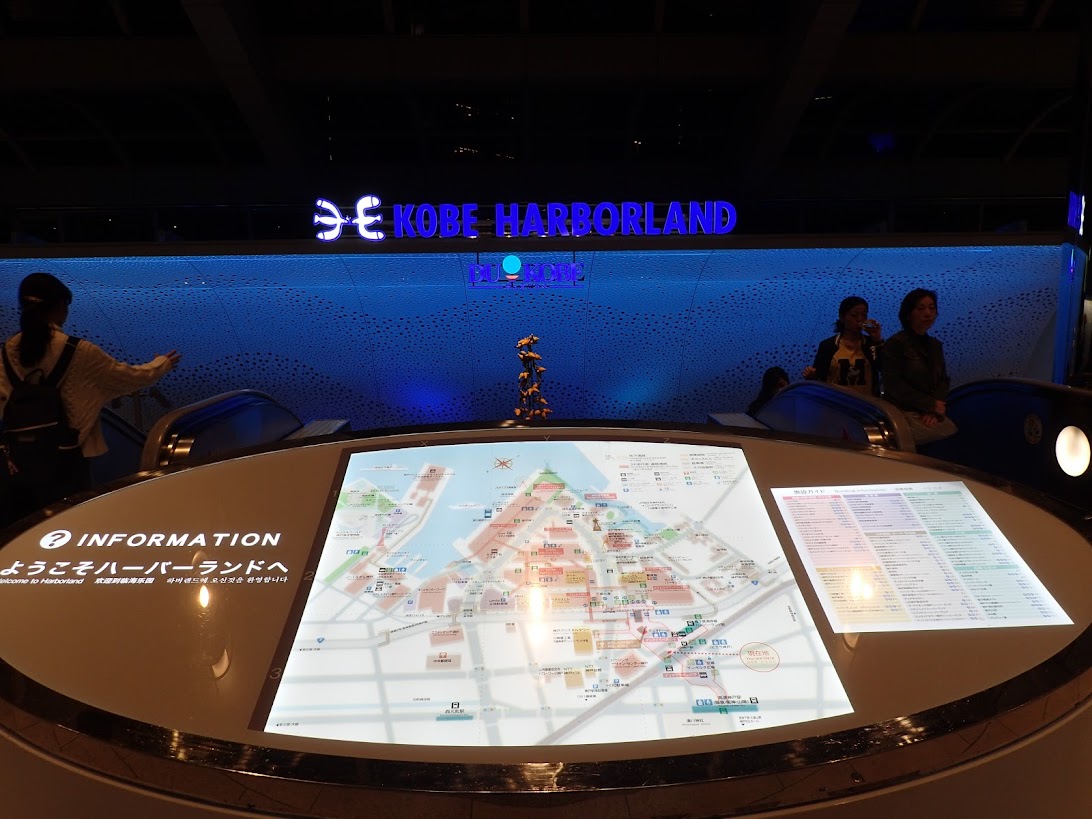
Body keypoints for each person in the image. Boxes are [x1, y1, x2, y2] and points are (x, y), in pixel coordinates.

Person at [0, 272, 181, 522]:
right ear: (60, 306)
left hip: (17, 462)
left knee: (24, 528)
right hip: (67, 462)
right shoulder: (78, 350)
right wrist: (161, 364)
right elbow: (127, 377)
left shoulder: (7, 352)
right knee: (70, 522)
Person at [882, 288, 956, 447]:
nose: (928, 313)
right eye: (921, 308)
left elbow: (943, 378)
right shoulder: (895, 344)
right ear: (908, 314)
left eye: (932, 308)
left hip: (928, 411)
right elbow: (893, 384)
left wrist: (936, 407)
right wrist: (930, 404)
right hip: (901, 412)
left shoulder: (935, 345)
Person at [802, 296, 883, 396]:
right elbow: (818, 377)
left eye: (864, 315)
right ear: (842, 317)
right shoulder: (828, 346)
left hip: (866, 403)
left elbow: (885, 369)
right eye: (854, 315)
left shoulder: (871, 344)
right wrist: (810, 375)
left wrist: (877, 339)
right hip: (836, 401)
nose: (860, 319)